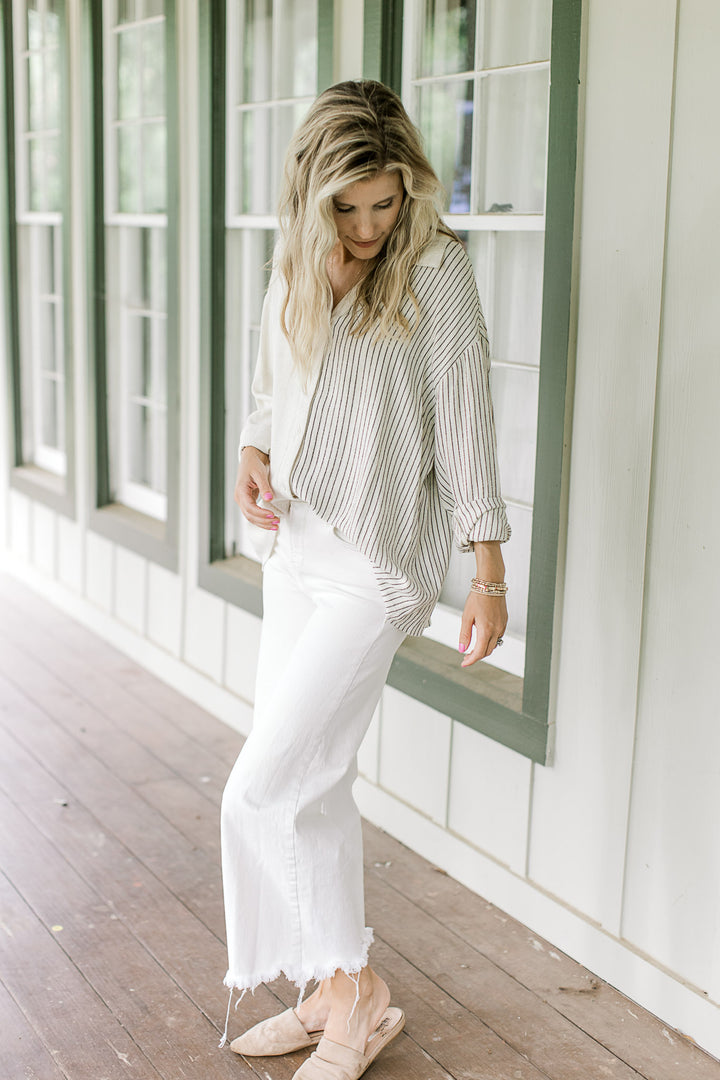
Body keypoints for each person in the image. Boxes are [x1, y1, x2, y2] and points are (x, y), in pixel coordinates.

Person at [220, 79, 510, 1080]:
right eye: (349, 206)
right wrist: (252, 450)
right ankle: (334, 991)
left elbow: (470, 425)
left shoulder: (439, 270)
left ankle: (353, 995)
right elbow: (278, 381)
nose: (371, 224)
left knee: (259, 788)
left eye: (385, 202)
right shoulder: (300, 263)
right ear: (313, 195)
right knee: (315, 785)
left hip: (377, 568)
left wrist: (487, 573)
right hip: (296, 547)